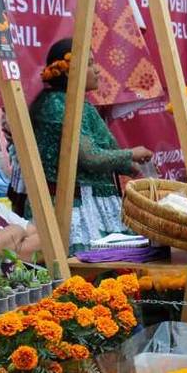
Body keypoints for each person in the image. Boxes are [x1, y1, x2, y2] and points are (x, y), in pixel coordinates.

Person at [29, 39, 152, 254]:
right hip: (74, 206)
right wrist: (132, 154)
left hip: (93, 203)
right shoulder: (58, 105)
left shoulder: (75, 102)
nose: (97, 70)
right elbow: (90, 158)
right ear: (69, 71)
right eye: (90, 63)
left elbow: (106, 153)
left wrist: (135, 169)